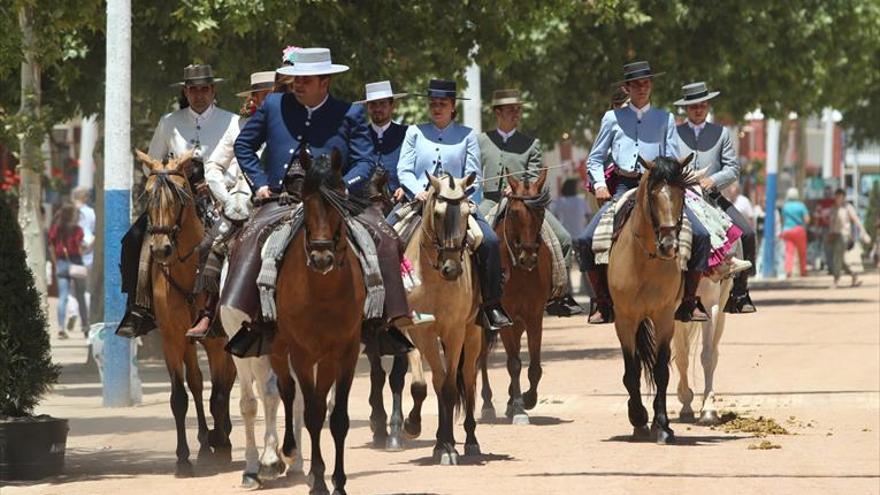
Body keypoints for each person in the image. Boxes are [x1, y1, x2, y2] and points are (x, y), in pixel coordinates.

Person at [233, 47, 412, 354]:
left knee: (386, 238)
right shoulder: (273, 105)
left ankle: (388, 322)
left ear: (325, 82)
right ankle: (251, 321)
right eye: (295, 79)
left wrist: (344, 187)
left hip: (337, 199)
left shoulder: (350, 112)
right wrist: (260, 184)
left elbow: (365, 161)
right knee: (246, 240)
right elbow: (244, 145)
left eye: (305, 80)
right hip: (284, 195)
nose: (297, 85)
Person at [576, 61, 713, 324]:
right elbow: (594, 159)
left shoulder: (666, 118)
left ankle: (688, 302)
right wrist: (600, 185)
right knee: (584, 240)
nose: (642, 88)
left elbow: (672, 157)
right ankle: (603, 302)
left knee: (701, 234)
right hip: (625, 187)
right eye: (636, 84)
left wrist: (679, 179)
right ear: (627, 88)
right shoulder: (611, 118)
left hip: (659, 187)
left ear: (651, 85)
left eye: (646, 83)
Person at [116, 64, 239, 338]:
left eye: (204, 89)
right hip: (176, 199)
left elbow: (242, 162)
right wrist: (169, 174)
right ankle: (138, 308)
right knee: (133, 240)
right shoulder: (169, 122)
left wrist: (222, 183)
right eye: (193, 89)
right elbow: (152, 163)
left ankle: (247, 309)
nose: (199, 95)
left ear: (213, 90)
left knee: (246, 241)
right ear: (186, 91)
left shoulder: (232, 122)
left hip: (218, 198)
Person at [395, 79, 513, 331]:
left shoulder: (467, 135)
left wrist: (460, 192)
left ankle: (490, 306)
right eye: (433, 104)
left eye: (442, 104)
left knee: (490, 241)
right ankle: (387, 310)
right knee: (384, 237)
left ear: (452, 108)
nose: (437, 108)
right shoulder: (414, 131)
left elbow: (473, 175)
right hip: (420, 203)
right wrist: (418, 192)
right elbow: (404, 170)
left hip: (457, 204)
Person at [477, 88, 583, 317]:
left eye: (518, 110)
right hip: (490, 200)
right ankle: (478, 295)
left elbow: (536, 177)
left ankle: (559, 296)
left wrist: (521, 189)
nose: (516, 113)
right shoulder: (481, 141)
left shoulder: (531, 143)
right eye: (510, 110)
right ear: (497, 112)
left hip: (525, 203)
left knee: (564, 239)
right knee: (474, 239)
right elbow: (474, 173)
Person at [184, 71, 274, 338]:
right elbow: (213, 165)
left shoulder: (293, 122)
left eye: (275, 93)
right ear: (254, 98)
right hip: (242, 204)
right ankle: (209, 312)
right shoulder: (239, 126)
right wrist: (226, 199)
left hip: (285, 199)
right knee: (209, 245)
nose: (271, 98)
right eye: (265, 94)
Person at [674, 82, 755, 313]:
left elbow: (732, 168)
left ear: (708, 105)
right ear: (686, 110)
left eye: (702, 104)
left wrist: (713, 181)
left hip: (712, 197)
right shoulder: (674, 134)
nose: (698, 109)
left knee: (747, 234)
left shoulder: (721, 133)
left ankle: (740, 292)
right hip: (684, 198)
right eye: (693, 106)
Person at [356, 80, 409, 202]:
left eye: (382, 104)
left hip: (401, 202)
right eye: (373, 104)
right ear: (367, 107)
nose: (377, 108)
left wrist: (405, 188)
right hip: (364, 204)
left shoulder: (407, 133)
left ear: (392, 106)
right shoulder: (358, 136)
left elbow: (417, 167)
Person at [48, 202, 89, 339]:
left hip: (61, 262)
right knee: (80, 297)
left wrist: (56, 263)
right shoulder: (77, 230)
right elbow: (81, 249)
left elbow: (51, 247)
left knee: (63, 298)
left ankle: (60, 328)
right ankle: (85, 327)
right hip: (76, 262)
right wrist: (89, 247)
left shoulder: (55, 229)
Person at [827, 188, 870, 287]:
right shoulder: (833, 208)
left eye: (840, 196)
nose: (838, 198)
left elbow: (856, 220)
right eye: (836, 196)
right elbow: (831, 224)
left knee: (837, 257)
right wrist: (830, 234)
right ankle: (853, 275)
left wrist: (863, 232)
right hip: (834, 235)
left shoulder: (848, 207)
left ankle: (836, 280)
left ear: (843, 197)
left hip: (844, 235)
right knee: (839, 259)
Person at [780, 187, 810, 277]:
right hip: (799, 230)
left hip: (787, 230)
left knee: (789, 252)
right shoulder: (801, 205)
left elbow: (783, 219)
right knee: (802, 252)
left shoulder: (785, 206)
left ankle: (788, 271)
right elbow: (807, 219)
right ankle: (803, 271)